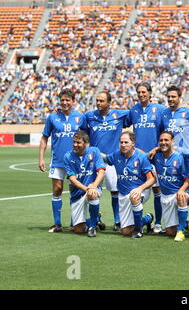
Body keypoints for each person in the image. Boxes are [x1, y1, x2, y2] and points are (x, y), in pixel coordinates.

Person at [81, 91, 130, 231]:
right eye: (97, 100)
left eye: (102, 101)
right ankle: (95, 218)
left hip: (112, 160)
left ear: (109, 103)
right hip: (94, 161)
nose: (98, 103)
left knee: (115, 191)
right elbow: (82, 131)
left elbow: (137, 113)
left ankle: (117, 220)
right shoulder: (89, 116)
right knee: (93, 190)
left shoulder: (119, 115)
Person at [39, 88, 84, 233]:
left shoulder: (80, 117)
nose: (64, 103)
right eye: (62, 100)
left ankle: (74, 222)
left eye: (67, 100)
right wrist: (41, 157)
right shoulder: (52, 118)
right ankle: (57, 223)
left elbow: (86, 138)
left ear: (73, 101)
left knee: (75, 191)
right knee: (57, 189)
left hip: (75, 161)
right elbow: (45, 137)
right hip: (57, 160)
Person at [128, 82, 166, 234]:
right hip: (137, 158)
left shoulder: (160, 110)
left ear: (150, 93)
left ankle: (157, 222)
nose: (141, 95)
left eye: (144, 92)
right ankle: (141, 220)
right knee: (133, 190)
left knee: (157, 190)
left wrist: (157, 148)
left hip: (155, 156)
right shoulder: (133, 110)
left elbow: (168, 131)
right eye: (139, 92)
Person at [103, 132, 155, 238]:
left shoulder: (142, 157)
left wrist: (139, 189)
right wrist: (92, 150)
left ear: (133, 144)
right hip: (123, 194)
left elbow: (152, 179)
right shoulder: (116, 155)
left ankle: (138, 230)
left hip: (141, 191)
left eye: (126, 142)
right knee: (126, 231)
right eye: (121, 142)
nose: (123, 144)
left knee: (134, 196)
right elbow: (105, 159)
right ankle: (148, 219)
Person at [161, 85, 189, 233]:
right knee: (171, 190)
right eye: (168, 96)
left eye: (173, 96)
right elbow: (163, 135)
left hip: (187, 158)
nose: (170, 99)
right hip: (171, 159)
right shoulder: (164, 113)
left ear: (180, 97)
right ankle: (178, 222)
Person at [63, 130, 106, 237]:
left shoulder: (94, 151)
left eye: (78, 142)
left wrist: (94, 186)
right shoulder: (68, 156)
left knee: (93, 194)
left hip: (93, 188)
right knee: (77, 229)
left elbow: (101, 171)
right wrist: (87, 189)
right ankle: (96, 218)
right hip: (77, 193)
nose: (75, 145)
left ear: (86, 143)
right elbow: (72, 179)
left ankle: (92, 227)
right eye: (74, 142)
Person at [150, 131, 189, 242]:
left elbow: (188, 180)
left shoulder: (179, 158)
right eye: (161, 140)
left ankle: (181, 231)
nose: (163, 142)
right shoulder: (156, 157)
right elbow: (141, 154)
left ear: (173, 142)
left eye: (166, 140)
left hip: (178, 193)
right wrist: (155, 149)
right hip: (165, 196)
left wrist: (181, 191)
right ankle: (184, 222)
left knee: (181, 197)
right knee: (170, 232)